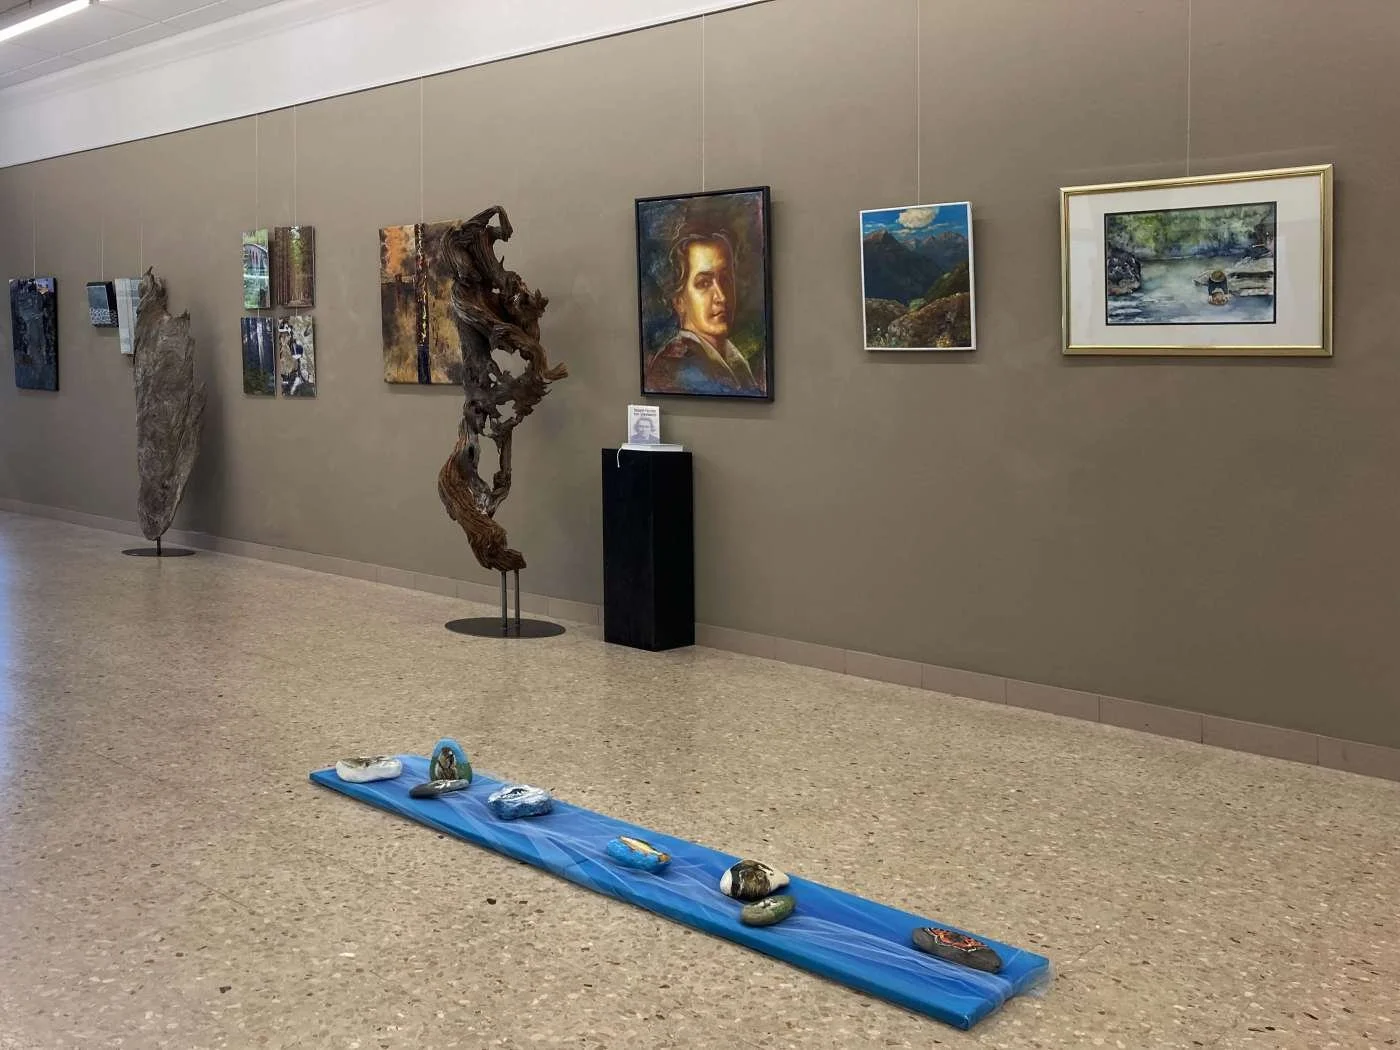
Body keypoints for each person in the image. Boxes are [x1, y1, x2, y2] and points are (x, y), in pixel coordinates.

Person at [644, 225, 764, 396]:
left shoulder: (735, 361)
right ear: (678, 300)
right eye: (704, 283)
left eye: (725, 279)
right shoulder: (674, 367)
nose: (721, 296)